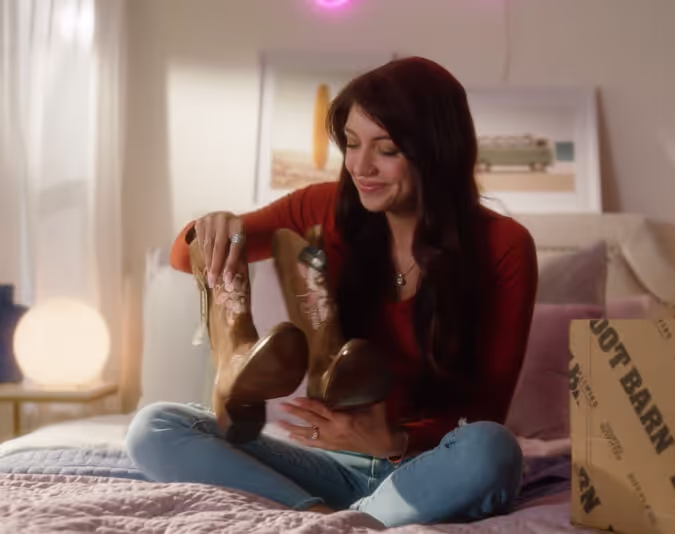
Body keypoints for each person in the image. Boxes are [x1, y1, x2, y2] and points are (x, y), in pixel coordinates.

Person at [125, 56, 538, 527]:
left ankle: (350, 518)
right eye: (352, 143)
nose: (361, 167)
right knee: (155, 426)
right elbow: (184, 256)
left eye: (386, 149)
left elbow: (488, 410)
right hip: (324, 465)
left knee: (493, 449)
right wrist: (213, 226)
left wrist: (393, 442)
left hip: (429, 464)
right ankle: (324, 519)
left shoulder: (504, 245)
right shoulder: (323, 208)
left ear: (436, 151)